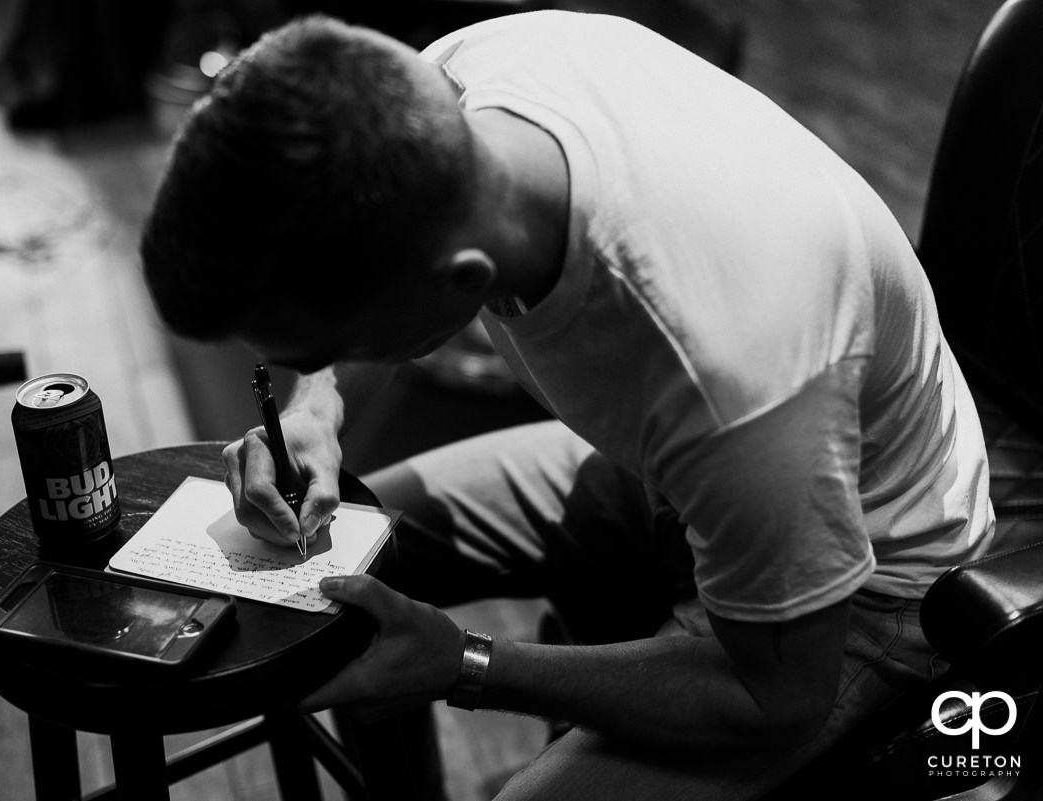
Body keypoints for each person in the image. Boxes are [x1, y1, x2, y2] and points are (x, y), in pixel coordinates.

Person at [140, 11, 994, 800]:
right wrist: (314, 411)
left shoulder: (731, 366)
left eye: (328, 351)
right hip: (685, 472)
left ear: (463, 284)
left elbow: (777, 696)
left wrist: (467, 663)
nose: (317, 370)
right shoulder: (455, 86)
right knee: (347, 571)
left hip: (864, 584)